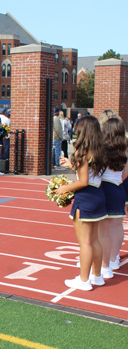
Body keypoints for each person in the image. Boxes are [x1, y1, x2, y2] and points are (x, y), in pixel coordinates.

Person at [56, 116, 107, 290]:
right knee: (95, 240)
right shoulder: (100, 150)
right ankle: (97, 276)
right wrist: (72, 165)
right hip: (98, 196)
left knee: (84, 243)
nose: (75, 131)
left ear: (83, 130)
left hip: (85, 198)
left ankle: (84, 281)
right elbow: (89, 174)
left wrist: (64, 188)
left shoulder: (82, 152)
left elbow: (83, 181)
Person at [97, 117, 127, 280]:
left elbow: (97, 173)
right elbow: (124, 175)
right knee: (117, 226)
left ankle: (105, 265)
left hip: (106, 188)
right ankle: (114, 259)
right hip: (119, 188)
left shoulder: (102, 149)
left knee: (103, 232)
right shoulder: (124, 150)